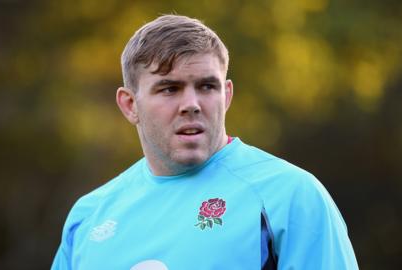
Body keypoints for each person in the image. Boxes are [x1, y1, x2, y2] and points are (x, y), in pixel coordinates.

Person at [52, 14, 358, 270]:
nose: (192, 103)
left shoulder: (291, 195)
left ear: (226, 95)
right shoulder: (89, 217)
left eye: (206, 86)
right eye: (169, 89)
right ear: (130, 104)